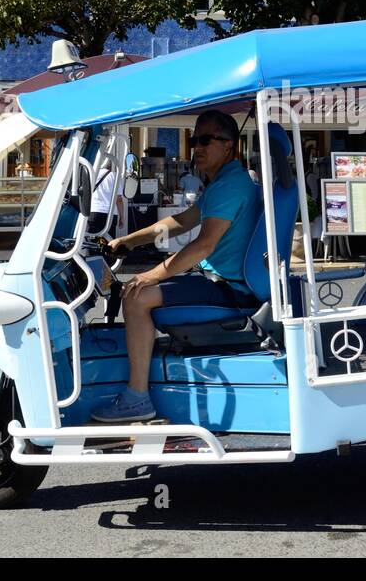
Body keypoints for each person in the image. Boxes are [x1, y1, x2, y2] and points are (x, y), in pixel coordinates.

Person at [93, 109, 260, 424]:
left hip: (228, 289)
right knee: (139, 289)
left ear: (229, 146)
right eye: (195, 139)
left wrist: (149, 276)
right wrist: (128, 241)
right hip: (218, 282)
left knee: (135, 295)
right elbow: (182, 221)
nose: (197, 147)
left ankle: (136, 396)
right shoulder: (224, 182)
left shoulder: (229, 186)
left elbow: (203, 245)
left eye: (206, 140)